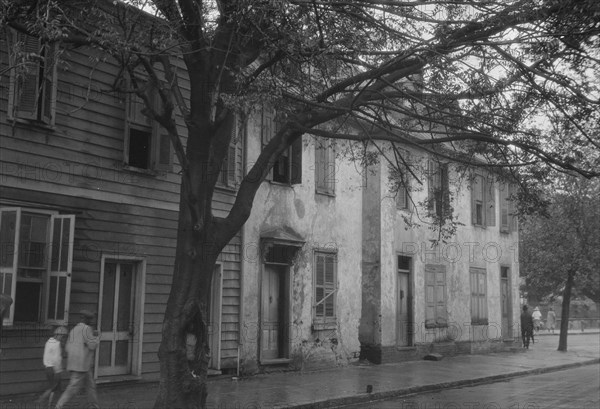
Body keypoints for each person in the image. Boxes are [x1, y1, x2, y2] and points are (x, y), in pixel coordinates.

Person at [55, 310, 100, 409]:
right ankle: (58, 406)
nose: (90, 321)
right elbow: (92, 346)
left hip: (77, 363)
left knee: (90, 386)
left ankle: (93, 406)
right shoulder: (87, 329)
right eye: (89, 319)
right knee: (72, 388)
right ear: (85, 319)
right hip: (81, 364)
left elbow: (67, 347)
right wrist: (96, 336)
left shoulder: (73, 330)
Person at [37, 326, 68, 408]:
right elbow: (57, 359)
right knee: (53, 388)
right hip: (54, 369)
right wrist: (59, 370)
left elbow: (46, 356)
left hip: (47, 367)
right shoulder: (57, 344)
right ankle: (41, 401)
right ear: (58, 335)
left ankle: (51, 405)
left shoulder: (48, 342)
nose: (62, 338)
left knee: (56, 389)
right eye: (62, 336)